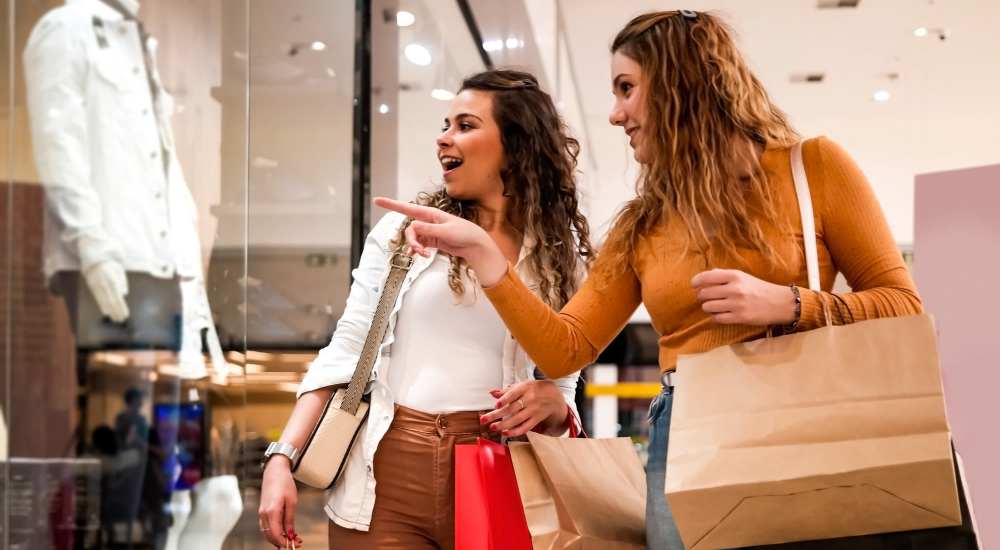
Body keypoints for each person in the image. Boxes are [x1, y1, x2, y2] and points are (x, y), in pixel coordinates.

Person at [377, 10, 979, 550]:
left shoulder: (811, 167)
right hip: (692, 438)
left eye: (626, 88)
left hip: (815, 427)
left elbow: (903, 304)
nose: (615, 114)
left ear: (679, 84)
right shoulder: (642, 224)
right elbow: (564, 347)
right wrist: (488, 259)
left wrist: (792, 304)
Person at [258, 69, 593, 549]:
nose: (444, 137)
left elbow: (563, 379)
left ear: (516, 145)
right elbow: (348, 348)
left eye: (465, 125)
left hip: (497, 470)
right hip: (384, 473)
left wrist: (555, 406)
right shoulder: (403, 232)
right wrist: (281, 459)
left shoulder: (559, 255)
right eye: (446, 124)